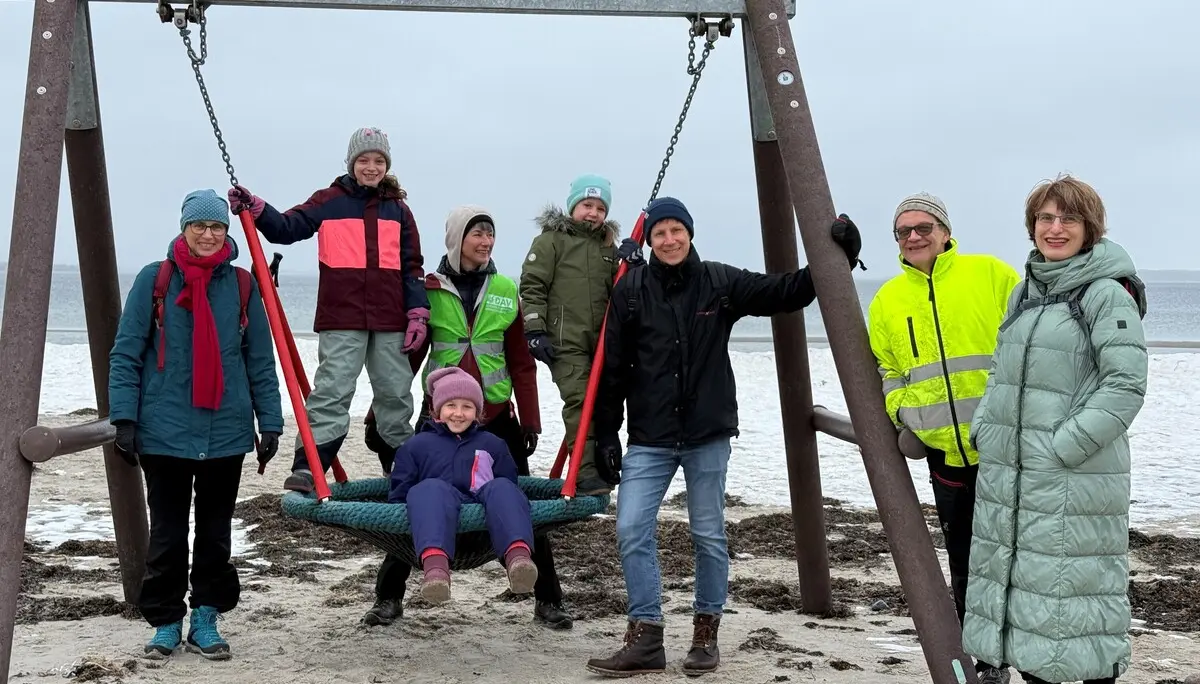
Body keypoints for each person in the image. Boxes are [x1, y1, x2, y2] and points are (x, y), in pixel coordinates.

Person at [584, 197, 862, 677]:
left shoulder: (719, 282)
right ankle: (646, 636)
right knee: (630, 529)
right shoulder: (631, 291)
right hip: (649, 436)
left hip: (706, 434)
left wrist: (836, 256)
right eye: (660, 233)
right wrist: (605, 433)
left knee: (708, 535)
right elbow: (611, 370)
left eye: (677, 230)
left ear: (690, 233)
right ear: (649, 241)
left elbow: (786, 292)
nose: (669, 240)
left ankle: (705, 636)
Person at [962, 175, 1148, 684]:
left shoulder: (1107, 293)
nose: (1055, 227)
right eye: (1045, 217)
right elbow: (1002, 371)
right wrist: (986, 428)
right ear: (1032, 226)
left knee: (1078, 599)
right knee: (1028, 603)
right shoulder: (1025, 292)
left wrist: (1062, 447)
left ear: (1090, 228)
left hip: (1074, 478)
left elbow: (1126, 385)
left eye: (1068, 218)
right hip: (1013, 477)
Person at [362, 205, 572, 630]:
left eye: (490, 235)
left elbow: (520, 361)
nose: (486, 242)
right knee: (411, 506)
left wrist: (529, 419)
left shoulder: (504, 289)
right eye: (477, 234)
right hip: (437, 419)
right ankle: (388, 598)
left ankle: (548, 600)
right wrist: (377, 412)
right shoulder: (429, 289)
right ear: (458, 239)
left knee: (522, 504)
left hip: (494, 418)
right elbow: (408, 359)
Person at [108, 189, 283, 660]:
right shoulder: (155, 280)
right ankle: (166, 621)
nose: (208, 235)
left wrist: (270, 422)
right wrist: (123, 418)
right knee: (166, 533)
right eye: (199, 226)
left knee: (214, 532)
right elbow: (125, 354)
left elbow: (260, 360)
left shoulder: (243, 285)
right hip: (163, 430)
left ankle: (206, 617)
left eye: (217, 227)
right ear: (183, 228)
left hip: (225, 430)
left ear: (227, 231)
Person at [863, 192, 1020, 682]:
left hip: (1008, 449)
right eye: (904, 231)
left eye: (924, 227)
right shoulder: (888, 299)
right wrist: (904, 414)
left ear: (946, 231)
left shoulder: (992, 273)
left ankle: (1029, 653)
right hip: (945, 457)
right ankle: (986, 662)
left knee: (1019, 557)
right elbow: (886, 369)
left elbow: (1036, 334)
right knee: (966, 562)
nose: (914, 236)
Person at [228, 126, 429, 493]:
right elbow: (287, 228)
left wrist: (417, 313)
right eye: (364, 160)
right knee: (333, 389)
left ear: (387, 164)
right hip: (343, 316)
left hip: (389, 318)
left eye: (379, 160)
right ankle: (308, 467)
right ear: (352, 162)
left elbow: (412, 267)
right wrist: (257, 208)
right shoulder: (329, 201)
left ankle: (401, 466)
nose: (371, 167)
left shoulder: (399, 211)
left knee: (396, 392)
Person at [388, 367, 538, 605]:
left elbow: (509, 485)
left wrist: (503, 495)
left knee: (501, 487)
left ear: (478, 412)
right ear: (436, 409)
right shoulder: (416, 446)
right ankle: (436, 571)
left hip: (482, 528)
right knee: (428, 489)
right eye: (451, 405)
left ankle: (518, 559)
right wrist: (394, 516)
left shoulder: (492, 444)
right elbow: (400, 492)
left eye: (467, 407)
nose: (458, 413)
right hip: (435, 518)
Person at [518, 174, 620, 496]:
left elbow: (623, 290)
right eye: (587, 205)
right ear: (573, 206)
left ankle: (602, 463)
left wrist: (631, 259)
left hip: (601, 342)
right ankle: (587, 473)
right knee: (579, 399)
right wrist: (535, 329)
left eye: (600, 208)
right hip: (564, 341)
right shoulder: (551, 241)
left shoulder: (608, 248)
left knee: (603, 403)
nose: (592, 213)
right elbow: (533, 286)